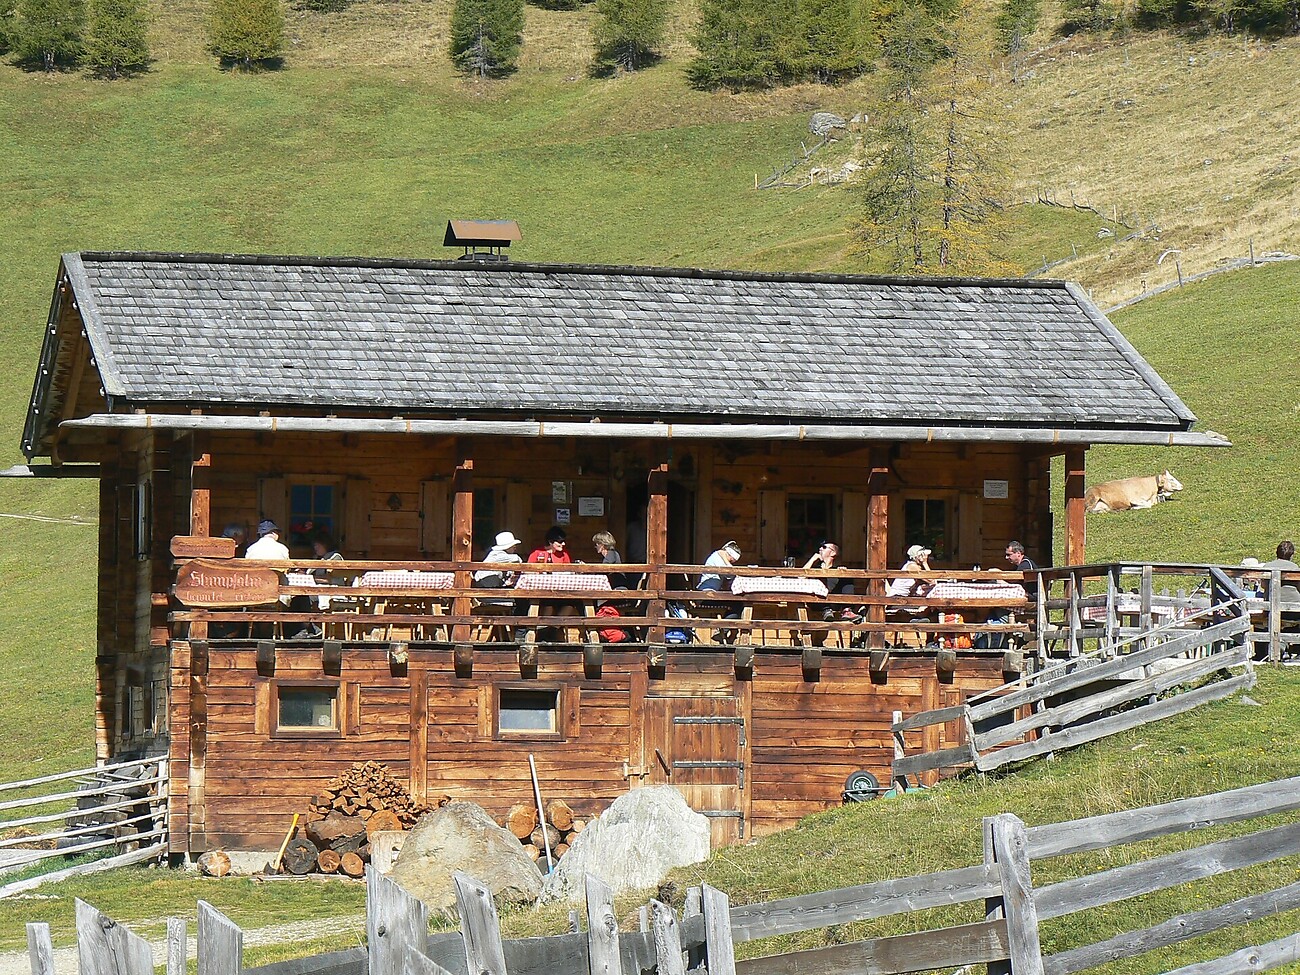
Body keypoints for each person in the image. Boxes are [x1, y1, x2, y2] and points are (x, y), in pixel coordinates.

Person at [697, 541, 743, 643]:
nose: (731, 562)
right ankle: (723, 629)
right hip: (706, 596)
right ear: (729, 554)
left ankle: (725, 630)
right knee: (737, 604)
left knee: (736, 604)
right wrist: (726, 560)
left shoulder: (719, 557)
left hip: (711, 594)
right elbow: (729, 574)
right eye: (731, 560)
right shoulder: (717, 557)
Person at [804, 540, 856, 621]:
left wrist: (843, 573)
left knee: (847, 577)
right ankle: (826, 610)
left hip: (833, 602)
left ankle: (847, 610)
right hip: (816, 602)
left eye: (824, 547)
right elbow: (800, 578)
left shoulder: (837, 570)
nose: (820, 548)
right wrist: (812, 559)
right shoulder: (814, 568)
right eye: (820, 547)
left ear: (833, 553)